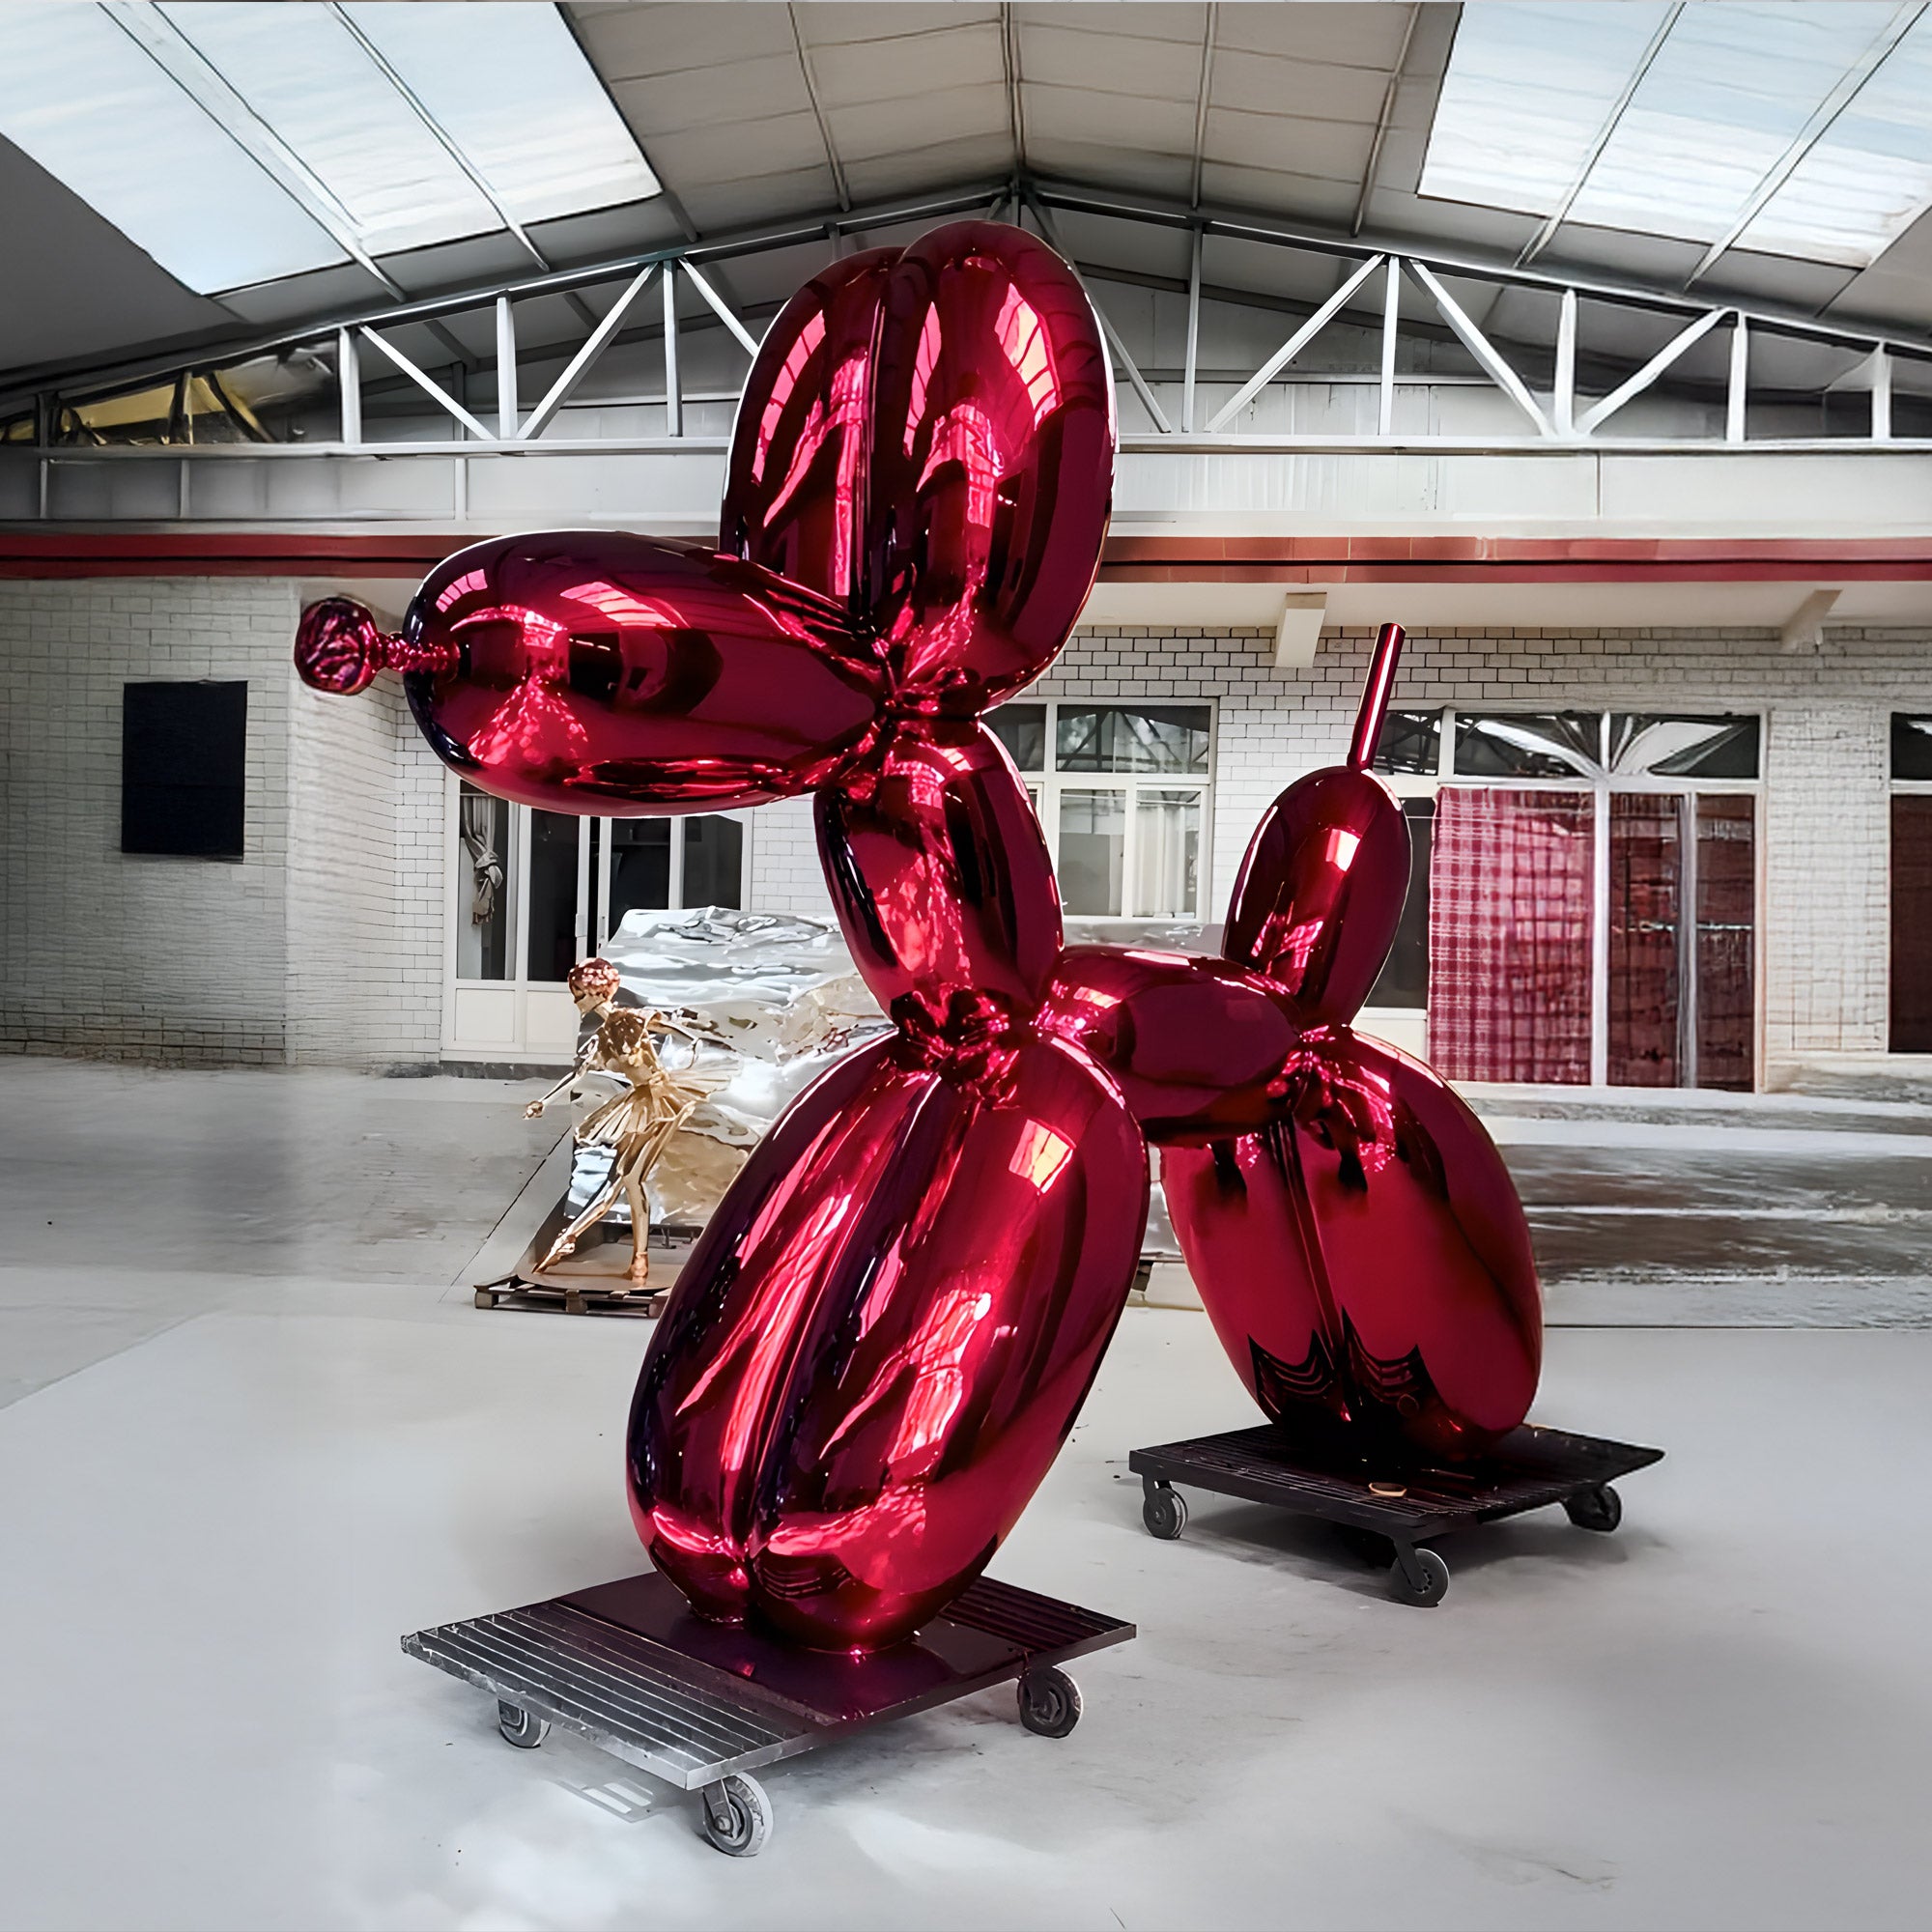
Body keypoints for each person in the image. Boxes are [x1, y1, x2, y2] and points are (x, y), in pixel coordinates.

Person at [524, 957, 706, 1286]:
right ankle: (629, 1257)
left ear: (596, 992)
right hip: (638, 1101)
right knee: (627, 1178)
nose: (577, 1000)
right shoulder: (603, 1037)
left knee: (627, 1176)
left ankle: (586, 1244)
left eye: (580, 993)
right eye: (575, 993)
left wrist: (687, 1058)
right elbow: (578, 1075)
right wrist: (544, 1102)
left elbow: (683, 1035)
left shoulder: (634, 1019)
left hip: (661, 1100)